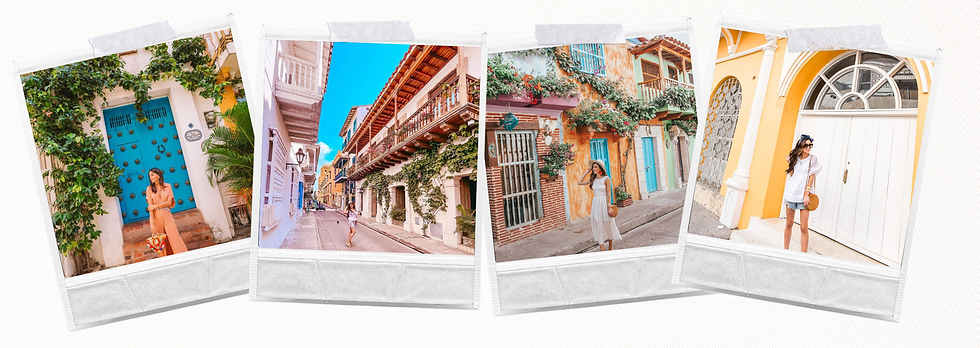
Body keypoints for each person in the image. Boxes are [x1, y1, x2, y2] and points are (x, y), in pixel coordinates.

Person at [783, 134, 821, 253]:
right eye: (806, 145)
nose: (808, 147)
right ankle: (785, 251)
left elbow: (811, 177)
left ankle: (803, 255)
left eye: (810, 145)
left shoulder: (812, 159)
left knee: (803, 227)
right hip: (791, 194)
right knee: (789, 224)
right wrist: (790, 162)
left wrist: (806, 194)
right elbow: (793, 176)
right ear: (800, 145)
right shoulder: (796, 158)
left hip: (804, 197)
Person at [577, 160, 622, 251]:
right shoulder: (593, 180)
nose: (594, 169)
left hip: (604, 203)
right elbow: (579, 182)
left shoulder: (606, 179)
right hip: (596, 204)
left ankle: (610, 246)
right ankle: (602, 249)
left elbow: (609, 194)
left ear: (600, 168)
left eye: (596, 167)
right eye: (593, 167)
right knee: (598, 224)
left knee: (608, 223)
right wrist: (586, 172)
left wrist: (609, 206)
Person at [146, 168, 188, 256]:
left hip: (167, 214)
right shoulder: (149, 189)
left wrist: (156, 206)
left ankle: (182, 255)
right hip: (156, 217)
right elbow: (150, 208)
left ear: (158, 175)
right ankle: (165, 258)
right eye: (149, 176)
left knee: (173, 236)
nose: (151, 177)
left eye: (152, 175)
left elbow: (169, 202)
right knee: (160, 239)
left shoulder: (168, 186)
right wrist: (152, 224)